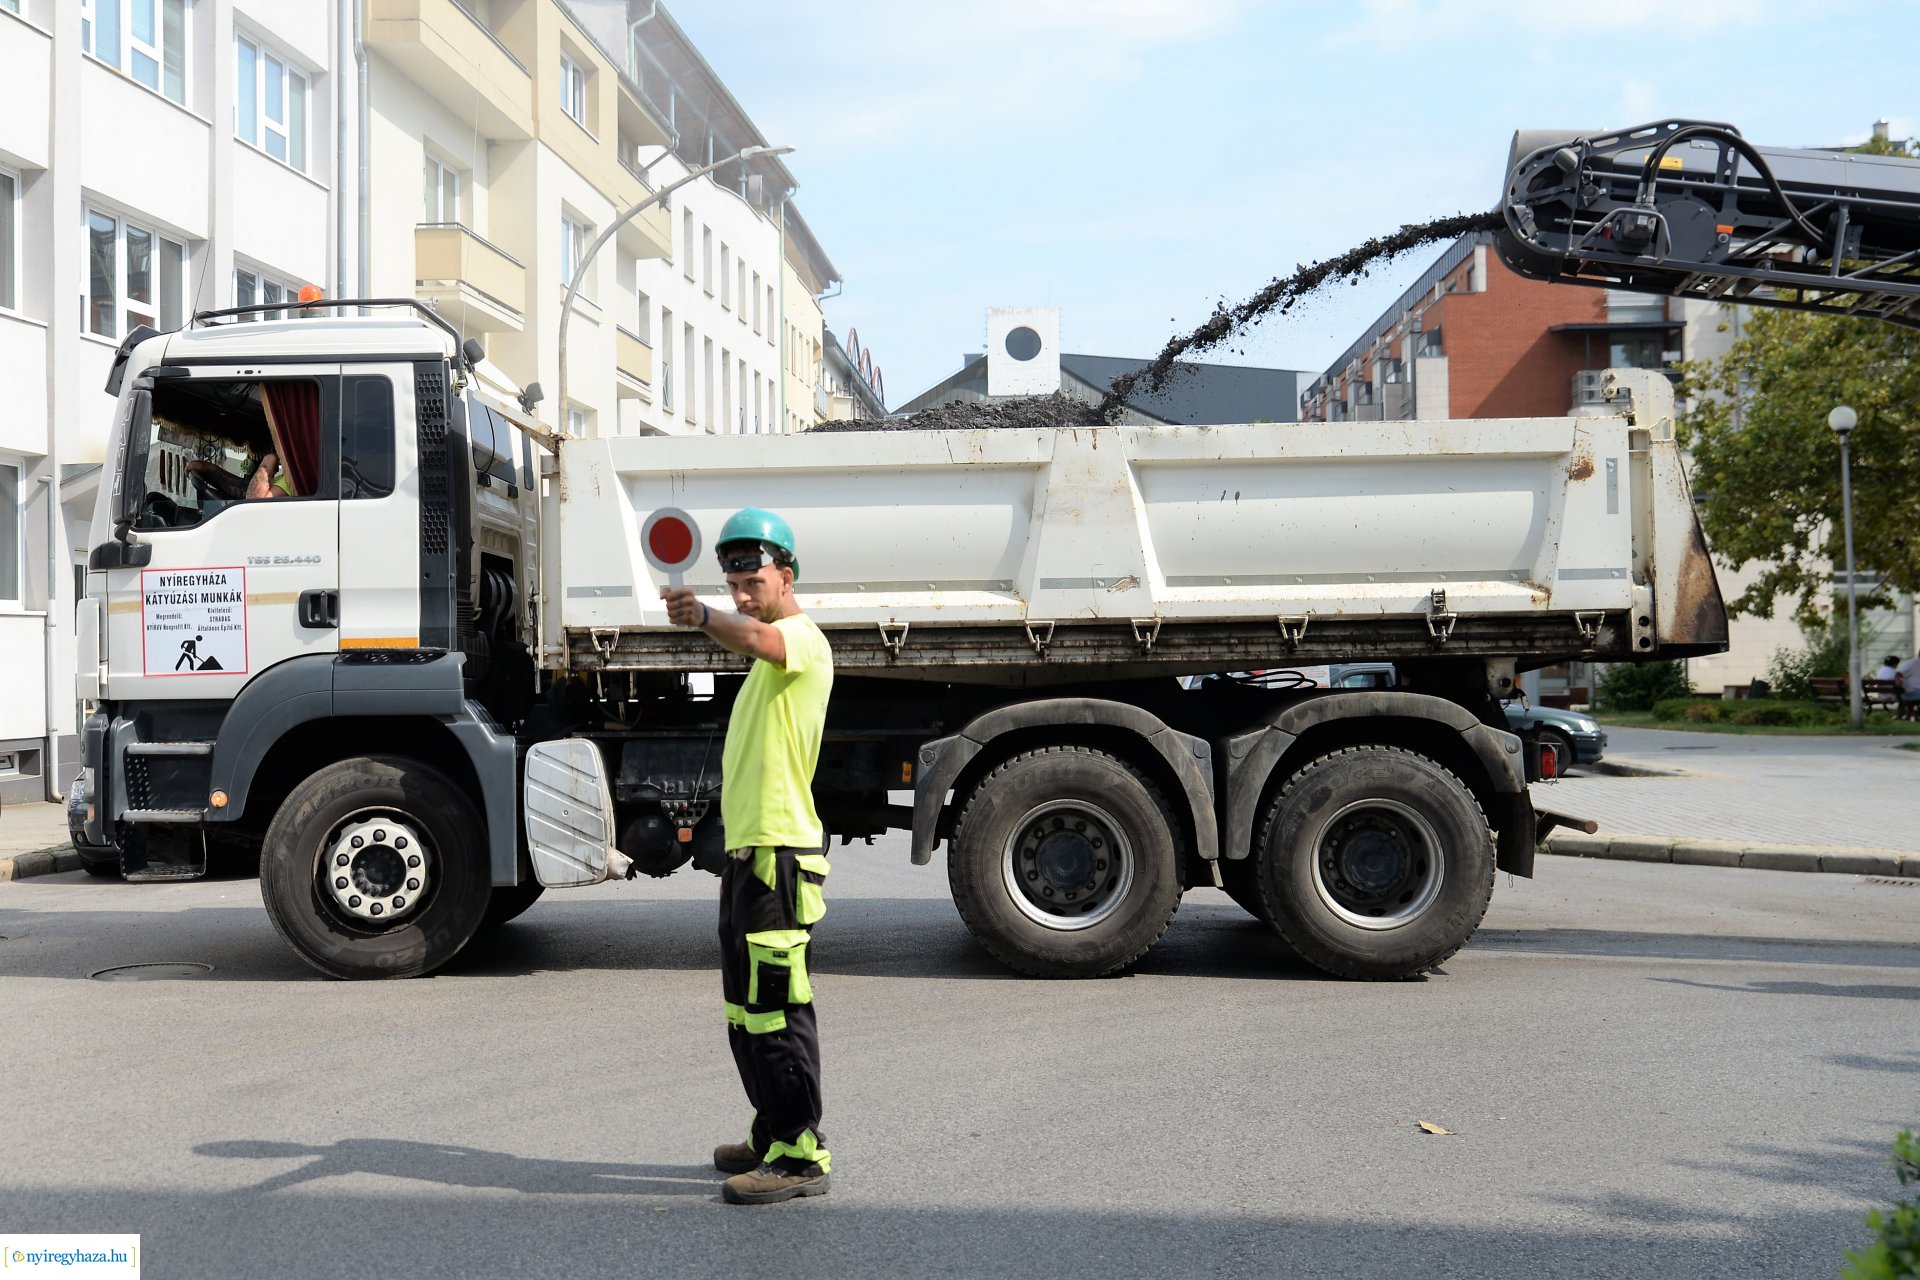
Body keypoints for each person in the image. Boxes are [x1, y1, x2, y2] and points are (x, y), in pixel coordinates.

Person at [660, 507, 836, 1206]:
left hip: (780, 858)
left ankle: (800, 1157)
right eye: (730, 582)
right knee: (744, 1009)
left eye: (752, 580)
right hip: (749, 857)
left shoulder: (801, 642)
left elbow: (758, 634)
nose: (740, 593)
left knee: (775, 1009)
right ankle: (772, 1131)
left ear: (785, 576)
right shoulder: (766, 655)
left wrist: (702, 614)